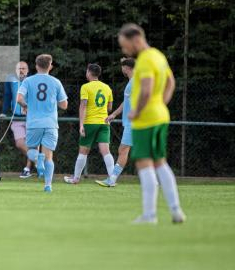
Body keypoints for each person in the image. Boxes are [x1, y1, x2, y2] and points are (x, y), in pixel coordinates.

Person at [118, 24, 185, 224]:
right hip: (159, 115)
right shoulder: (158, 55)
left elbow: (146, 89)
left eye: (125, 45)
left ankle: (149, 215)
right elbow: (171, 82)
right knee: (160, 162)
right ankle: (175, 210)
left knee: (144, 163)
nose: (125, 50)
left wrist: (137, 111)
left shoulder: (145, 60)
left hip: (145, 119)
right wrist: (160, 103)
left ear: (135, 39)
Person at [17, 54, 68, 192]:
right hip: (51, 123)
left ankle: (37, 158)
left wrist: (25, 105)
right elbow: (64, 105)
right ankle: (48, 185)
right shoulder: (56, 82)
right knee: (49, 156)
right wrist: (53, 100)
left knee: (31, 151)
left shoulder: (28, 81)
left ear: (36, 65)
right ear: (50, 66)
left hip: (34, 123)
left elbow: (19, 98)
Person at [64, 64, 115, 184]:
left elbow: (83, 105)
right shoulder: (107, 87)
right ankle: (112, 178)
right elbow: (110, 107)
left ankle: (76, 178)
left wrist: (81, 124)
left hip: (90, 123)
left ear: (89, 72)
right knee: (106, 151)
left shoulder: (85, 87)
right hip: (104, 123)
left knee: (83, 151)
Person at [97, 57, 135, 187]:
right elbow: (127, 102)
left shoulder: (135, 82)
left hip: (134, 122)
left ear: (126, 68)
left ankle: (112, 179)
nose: (121, 69)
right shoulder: (132, 82)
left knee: (123, 149)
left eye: (122, 66)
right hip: (133, 122)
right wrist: (113, 114)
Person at [2, 61, 42, 178]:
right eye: (19, 68)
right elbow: (7, 95)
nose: (21, 70)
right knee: (20, 143)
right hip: (17, 117)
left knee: (33, 144)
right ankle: (38, 162)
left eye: (24, 68)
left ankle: (27, 168)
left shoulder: (33, 81)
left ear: (28, 70)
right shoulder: (11, 80)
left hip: (31, 117)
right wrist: (4, 112)